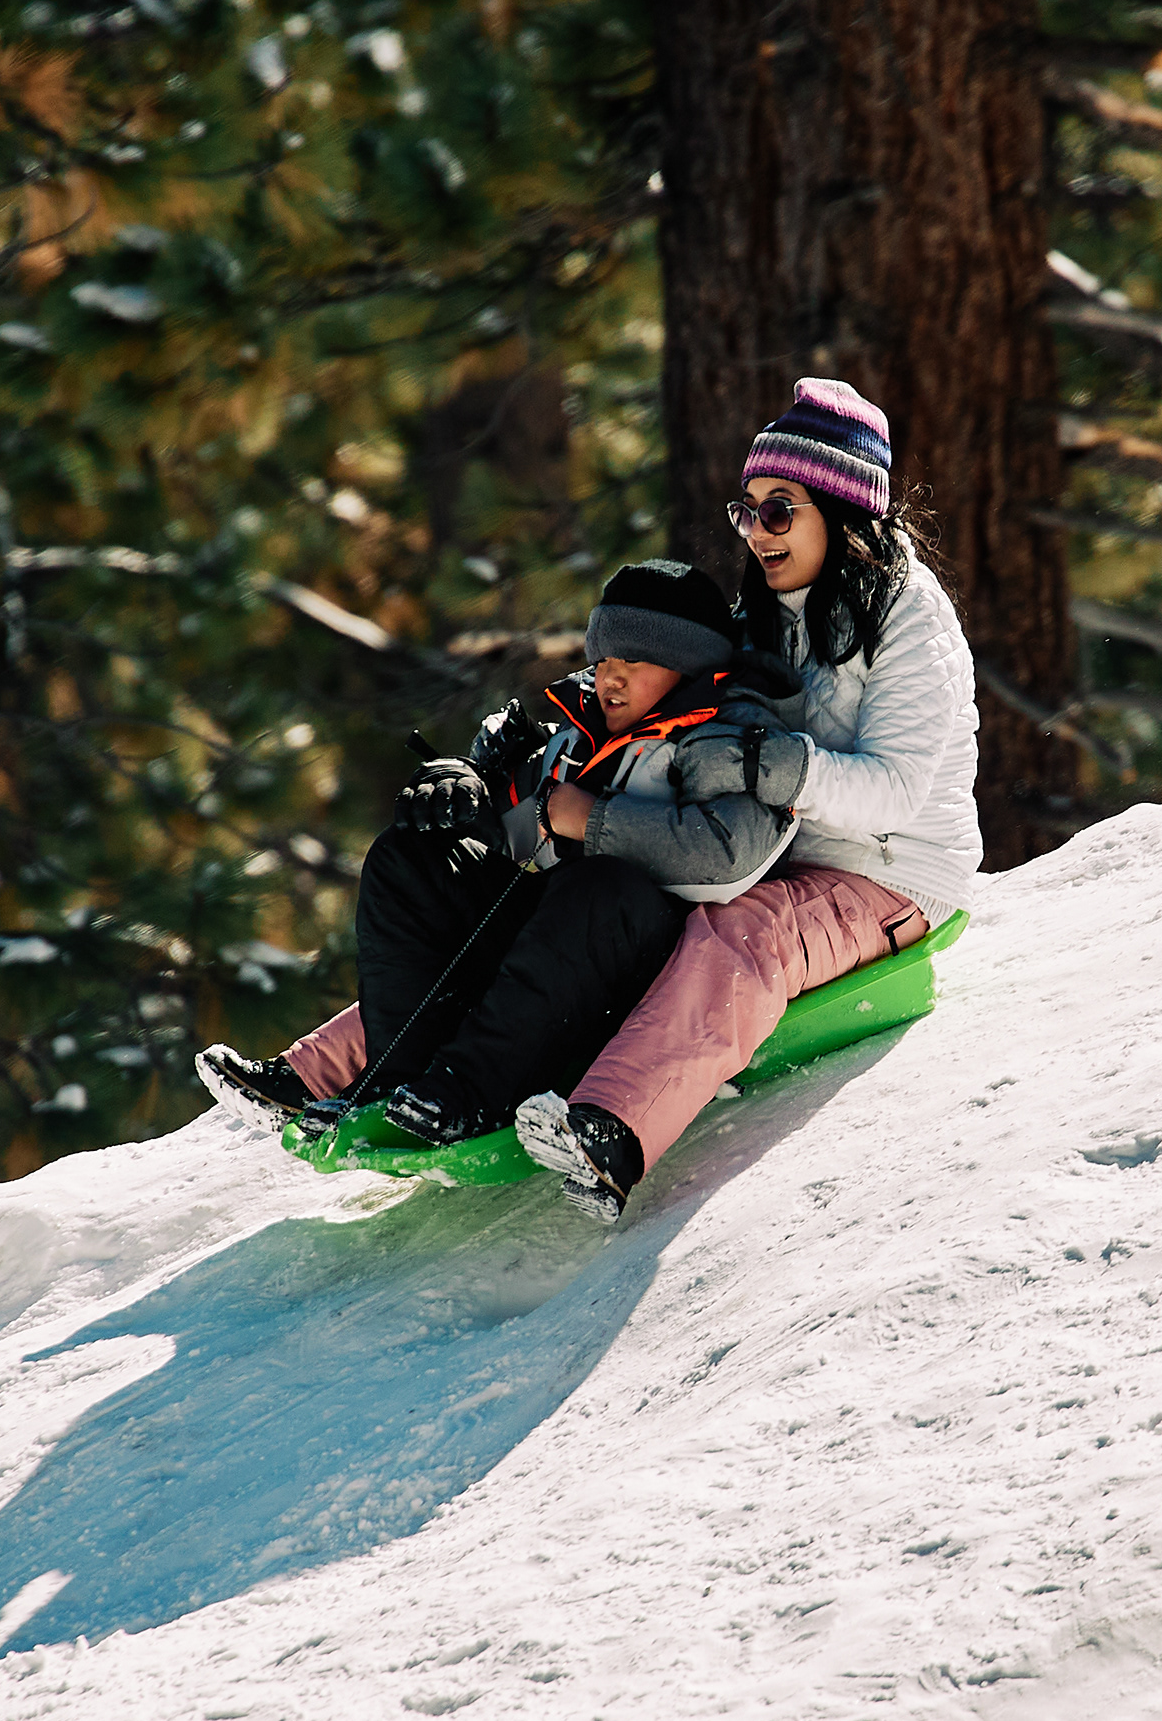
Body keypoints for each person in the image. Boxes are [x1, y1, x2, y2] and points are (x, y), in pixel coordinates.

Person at [513, 379, 979, 1224]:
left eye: (779, 510)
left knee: (741, 935)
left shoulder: (911, 617)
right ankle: (420, 1071)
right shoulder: (770, 612)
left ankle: (612, 1134)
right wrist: (539, 726)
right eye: (748, 510)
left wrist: (772, 763)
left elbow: (898, 792)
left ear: (843, 513)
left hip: (895, 874)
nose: (757, 532)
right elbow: (674, 687)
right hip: (782, 856)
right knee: (616, 902)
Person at [198, 558, 806, 1149]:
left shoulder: (728, 734)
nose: (610, 677)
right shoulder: (585, 730)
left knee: (596, 886)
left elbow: (728, 856)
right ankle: (397, 1078)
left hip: (648, 962)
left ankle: (469, 1090)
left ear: (688, 663)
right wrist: (462, 790)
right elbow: (519, 827)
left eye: (636, 660)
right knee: (409, 858)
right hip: (558, 948)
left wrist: (585, 819)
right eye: (604, 659)